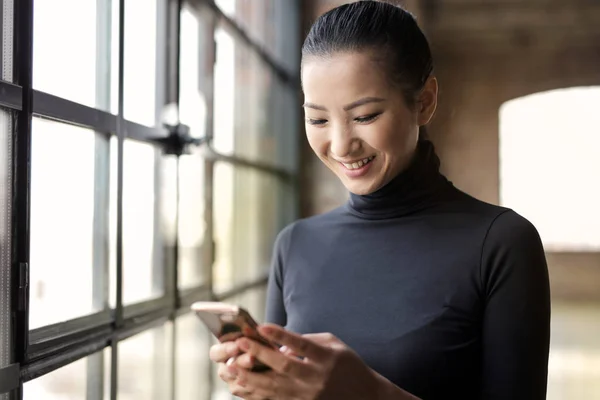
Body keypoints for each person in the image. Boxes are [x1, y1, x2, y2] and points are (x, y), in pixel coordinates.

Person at [209, 1, 551, 399]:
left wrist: (370, 393)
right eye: (318, 119)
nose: (340, 144)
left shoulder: (502, 243)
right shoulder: (295, 244)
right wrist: (261, 384)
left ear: (424, 102)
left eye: (365, 115)